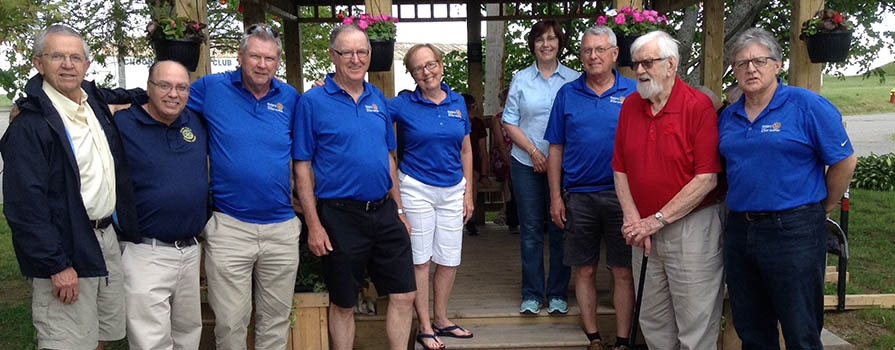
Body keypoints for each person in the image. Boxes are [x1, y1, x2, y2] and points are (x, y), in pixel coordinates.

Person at [1, 24, 140, 350]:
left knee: (98, 334)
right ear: (38, 63)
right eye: (57, 56)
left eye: (75, 57)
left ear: (87, 65)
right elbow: (24, 206)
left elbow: (132, 95)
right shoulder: (32, 123)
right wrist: (56, 265)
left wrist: (162, 91)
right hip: (66, 244)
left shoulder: (94, 102)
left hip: (104, 238)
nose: (68, 64)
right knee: (67, 340)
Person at [719, 28, 856, 349]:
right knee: (751, 327)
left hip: (793, 229)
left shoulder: (806, 105)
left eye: (759, 61)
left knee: (800, 327)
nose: (750, 69)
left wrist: (823, 207)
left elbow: (844, 161)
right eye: (741, 64)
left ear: (777, 65)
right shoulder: (729, 115)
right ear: (734, 71)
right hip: (740, 229)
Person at [293, 24, 416, 350]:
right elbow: (302, 165)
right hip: (339, 215)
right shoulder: (313, 101)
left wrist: (400, 209)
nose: (355, 58)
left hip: (384, 211)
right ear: (333, 56)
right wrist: (314, 224)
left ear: (370, 55)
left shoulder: (378, 97)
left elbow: (389, 157)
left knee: (404, 294)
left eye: (362, 51)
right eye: (346, 52)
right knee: (343, 302)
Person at [186, 23, 301, 350]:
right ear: (240, 56)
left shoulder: (290, 98)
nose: (262, 65)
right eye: (255, 57)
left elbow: (308, 149)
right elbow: (168, 100)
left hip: (281, 227)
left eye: (269, 58)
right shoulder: (210, 88)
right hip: (230, 227)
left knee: (275, 321)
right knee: (231, 322)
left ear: (278, 61)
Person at [610, 30, 725, 350]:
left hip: (691, 227)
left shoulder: (697, 105)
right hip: (643, 230)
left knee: (695, 321)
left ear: (671, 64)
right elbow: (620, 168)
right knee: (653, 319)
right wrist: (635, 222)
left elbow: (707, 178)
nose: (640, 71)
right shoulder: (631, 105)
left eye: (648, 62)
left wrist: (655, 220)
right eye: (635, 64)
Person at [544, 25, 636, 350]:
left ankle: (623, 340)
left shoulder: (634, 92)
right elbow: (555, 147)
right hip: (578, 196)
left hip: (623, 198)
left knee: (623, 270)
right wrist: (556, 196)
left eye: (599, 50)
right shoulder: (567, 93)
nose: (592, 56)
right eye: (586, 50)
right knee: (583, 270)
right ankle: (593, 338)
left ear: (614, 53)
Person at [387, 43, 475, 350]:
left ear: (440, 64)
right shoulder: (402, 104)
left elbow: (466, 148)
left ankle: (441, 318)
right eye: (419, 68)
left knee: (449, 259)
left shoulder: (458, 101)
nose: (427, 72)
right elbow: (363, 107)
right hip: (416, 188)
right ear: (412, 74)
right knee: (421, 259)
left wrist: (468, 192)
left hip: (453, 190)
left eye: (431, 64)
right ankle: (424, 326)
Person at [114, 60, 206, 350]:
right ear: (148, 88)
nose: (173, 94)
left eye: (181, 87)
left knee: (188, 334)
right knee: (150, 341)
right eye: (164, 85)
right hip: (146, 253)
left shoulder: (194, 121)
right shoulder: (122, 123)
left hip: (190, 251)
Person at [502, 19, 579, 315]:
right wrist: (535, 152)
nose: (546, 44)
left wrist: (554, 159)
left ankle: (558, 293)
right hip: (526, 163)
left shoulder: (573, 79)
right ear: (532, 45)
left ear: (560, 43)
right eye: (540, 39)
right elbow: (509, 121)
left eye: (552, 38)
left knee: (560, 226)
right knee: (531, 231)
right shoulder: (521, 79)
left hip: (564, 166)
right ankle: (532, 294)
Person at [490, 87, 519, 233]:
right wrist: (509, 160)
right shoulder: (498, 119)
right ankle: (509, 213)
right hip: (503, 158)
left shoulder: (523, 116)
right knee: (511, 172)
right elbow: (500, 145)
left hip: (521, 157)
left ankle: (506, 211)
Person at [462, 93, 488, 236]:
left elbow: (483, 151)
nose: (474, 110)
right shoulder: (455, 122)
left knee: (471, 178)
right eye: (471, 107)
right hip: (454, 164)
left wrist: (484, 174)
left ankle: (470, 219)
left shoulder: (478, 124)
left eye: (475, 107)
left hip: (473, 164)